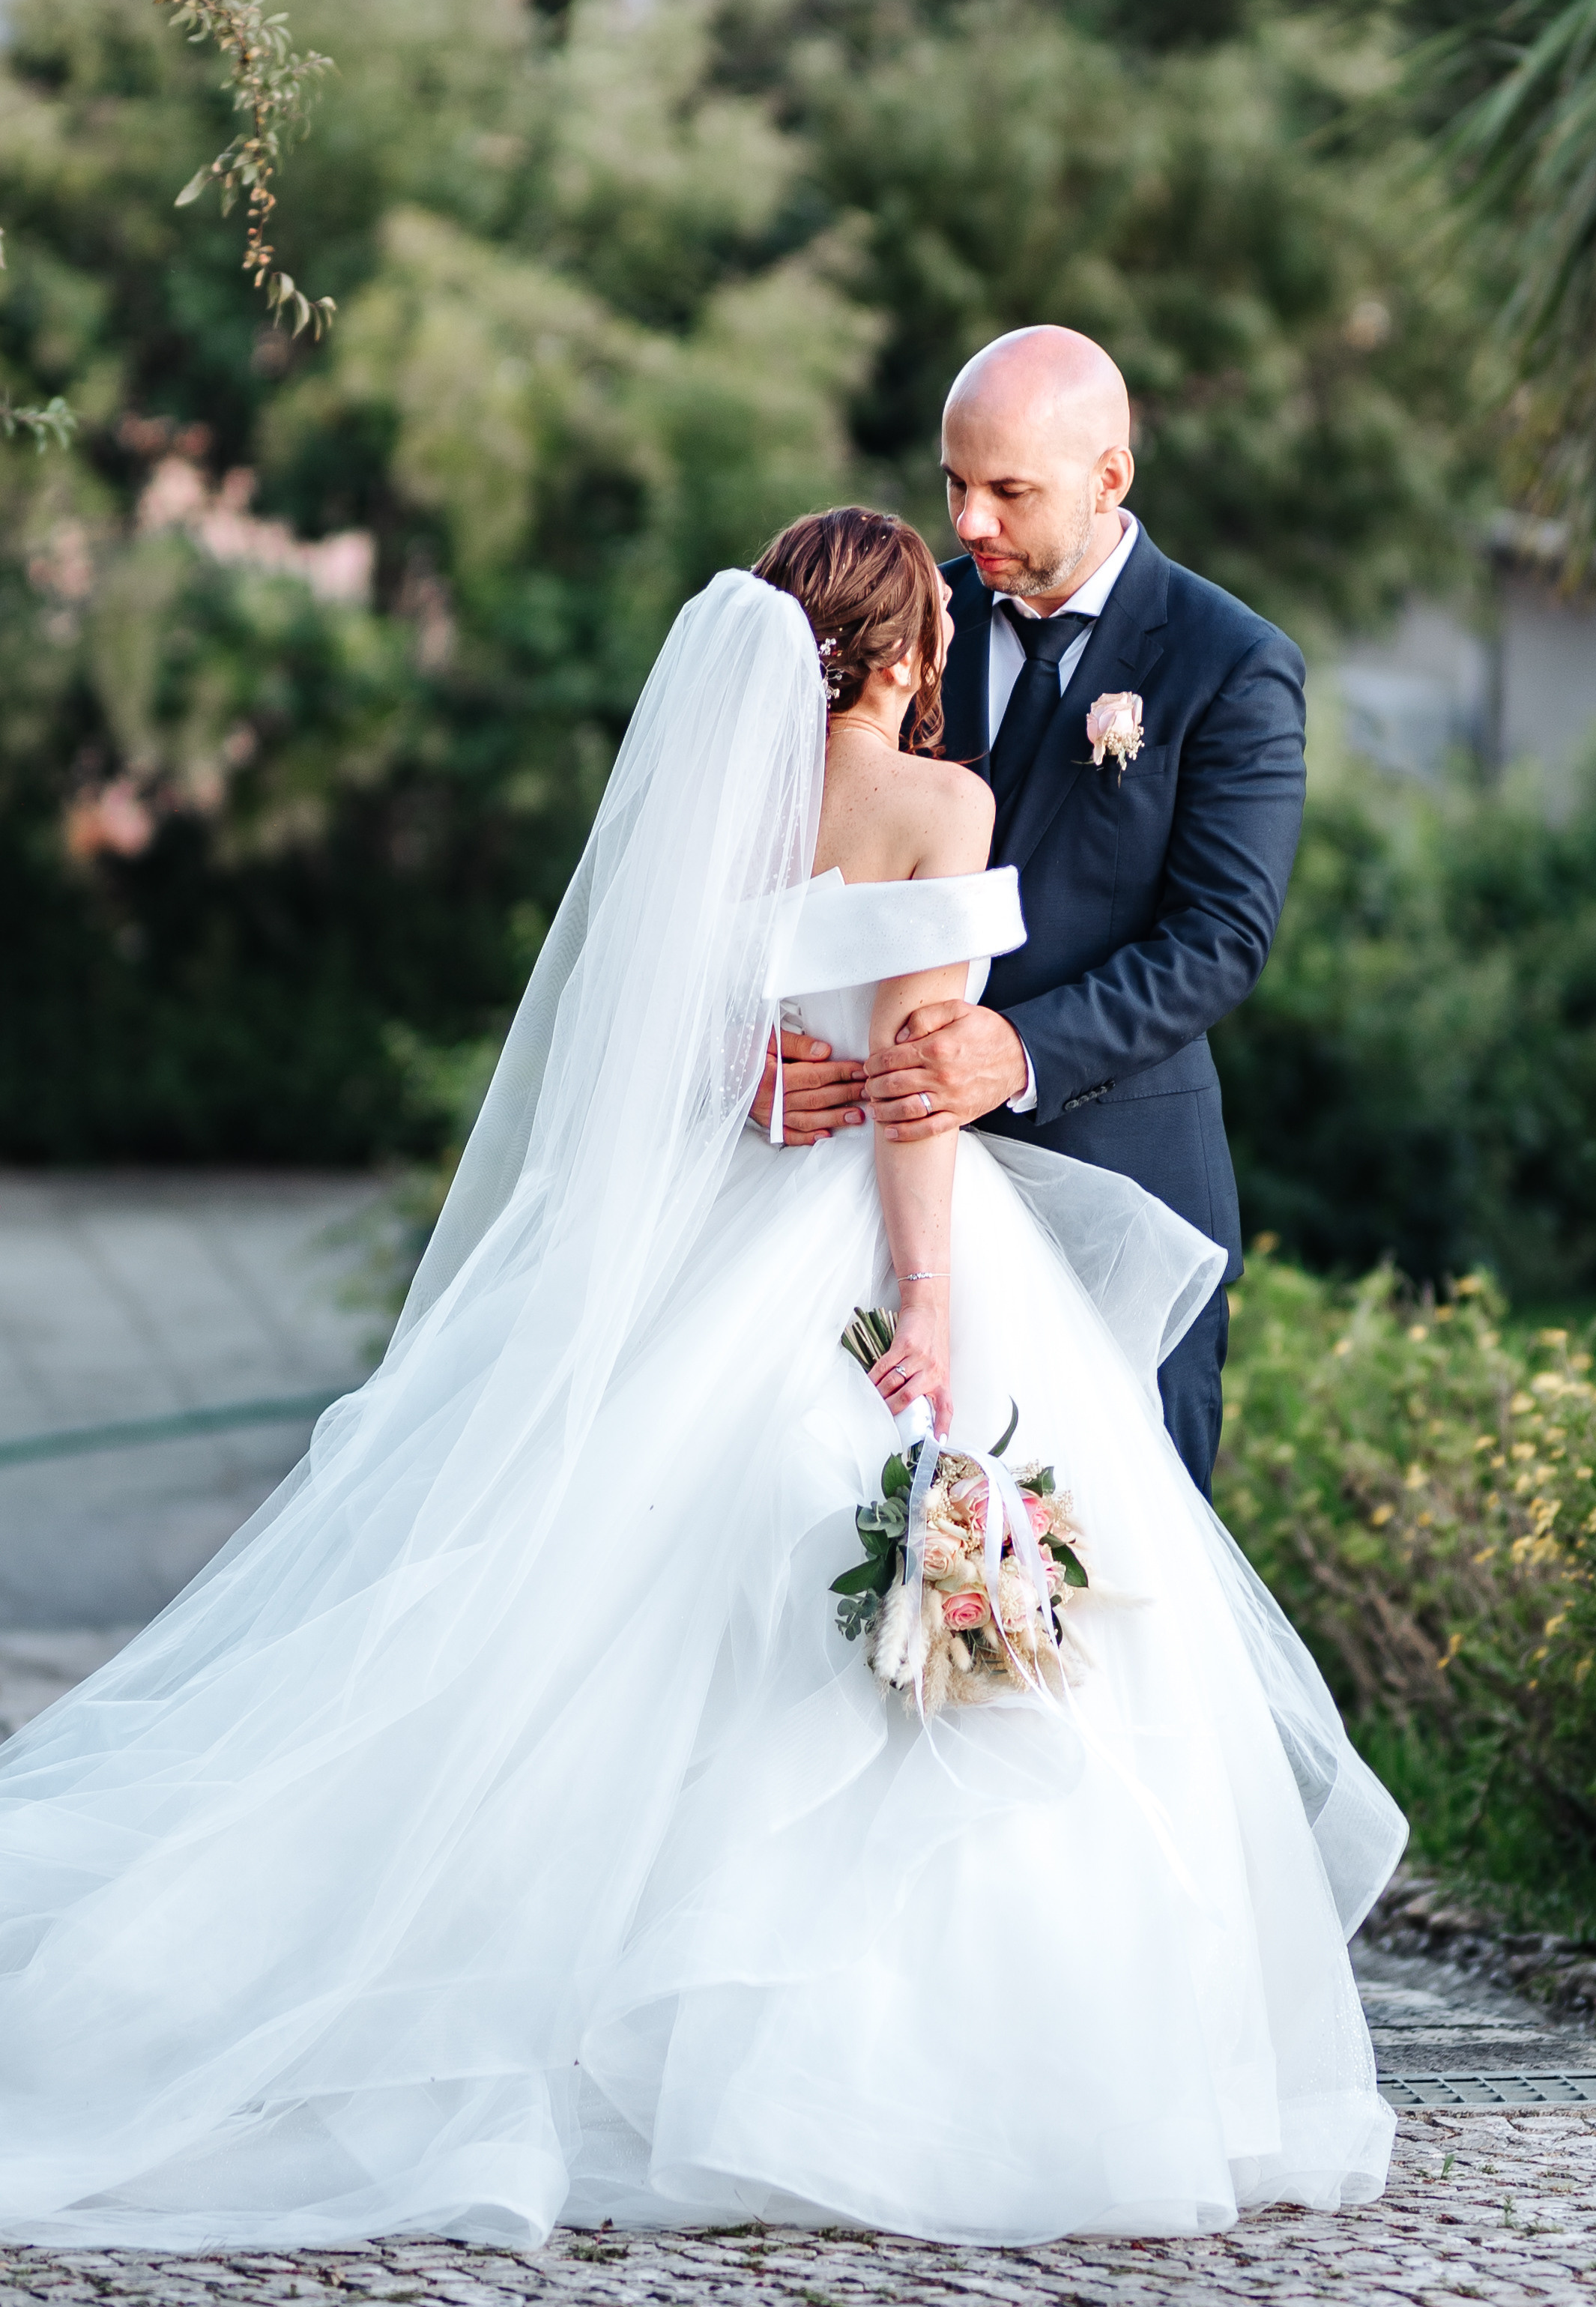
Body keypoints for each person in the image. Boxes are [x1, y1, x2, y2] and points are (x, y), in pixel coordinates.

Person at [0, 514, 1400, 2252]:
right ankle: (909, 2059)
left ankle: (594, 2002)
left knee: (627, 1618)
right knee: (928, 1634)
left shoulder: (716, 812)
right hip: (876, 1238)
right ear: (900, 659)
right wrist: (934, 1312)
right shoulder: (939, 808)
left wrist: (748, 1065)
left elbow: (644, 1031)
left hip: (712, 1239)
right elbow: (909, 1098)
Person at [759, 329, 1305, 1498]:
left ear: (1110, 479)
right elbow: (769, 882)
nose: (967, 523)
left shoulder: (1230, 661)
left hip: (1117, 1188)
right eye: (955, 484)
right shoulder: (890, 639)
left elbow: (1222, 937)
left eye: (1009, 491)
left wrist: (1015, 1049)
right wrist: (753, 1055)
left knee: (1114, 1571)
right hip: (860, 1201)